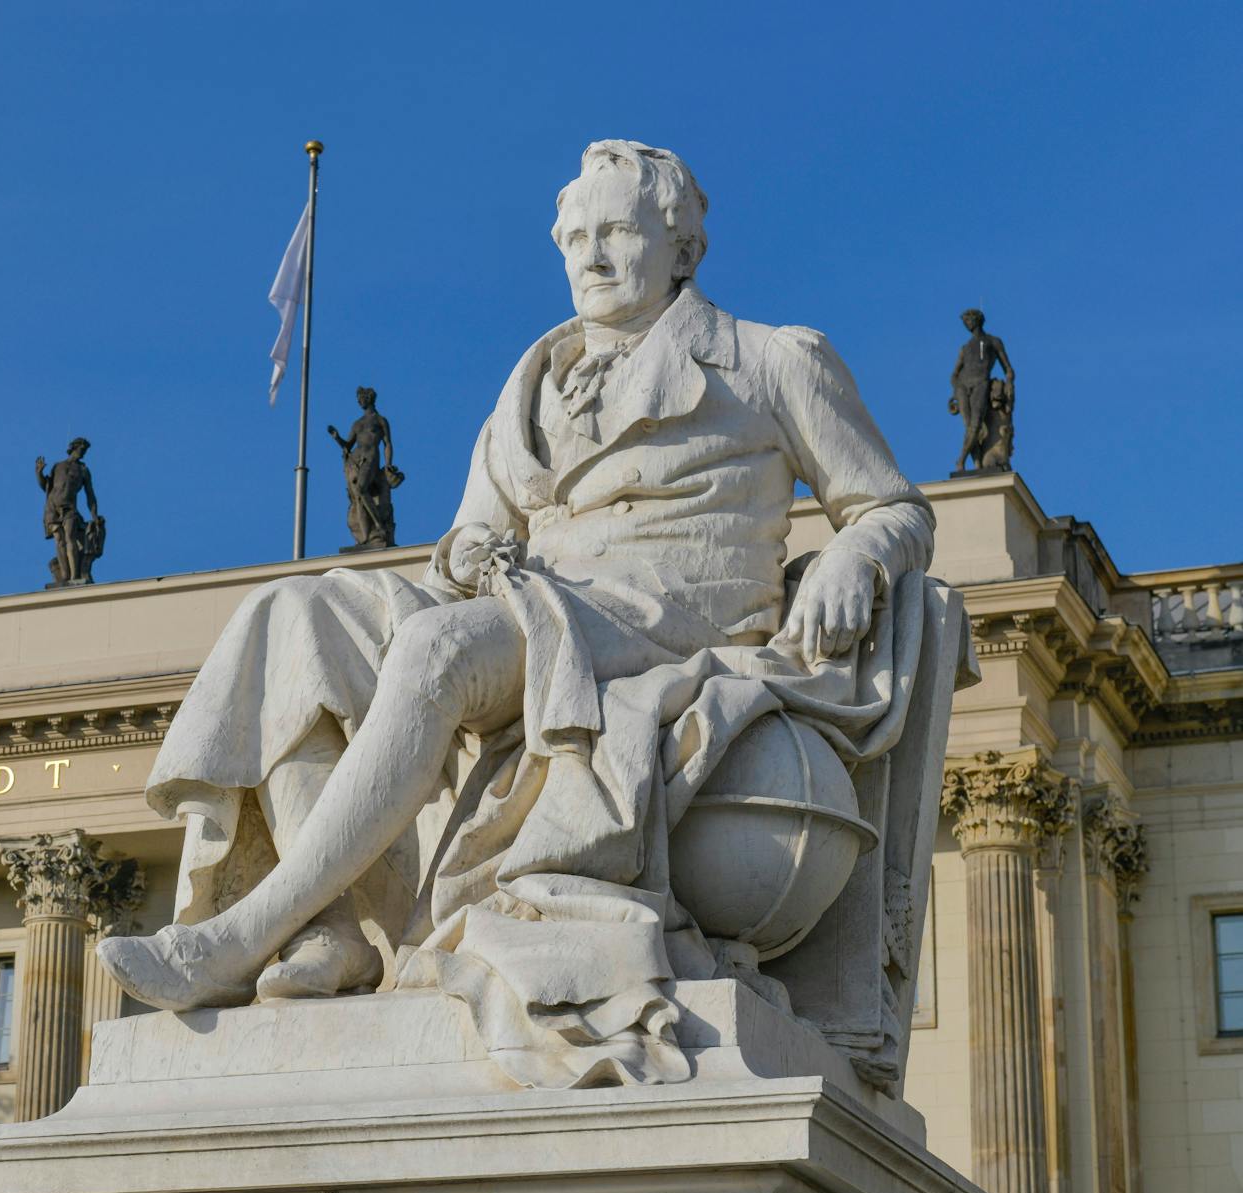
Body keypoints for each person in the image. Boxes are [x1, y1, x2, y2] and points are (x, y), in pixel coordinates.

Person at [99, 141, 935, 1086]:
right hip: (531, 603)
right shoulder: (530, 381)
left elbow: (895, 506)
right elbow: (463, 539)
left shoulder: (771, 360)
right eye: (577, 237)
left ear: (683, 251)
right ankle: (333, 928)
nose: (594, 256)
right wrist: (469, 553)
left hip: (660, 621)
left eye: (620, 231)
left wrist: (858, 555)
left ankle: (245, 932)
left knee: (438, 645)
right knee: (290, 618)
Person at [328, 387, 402, 548]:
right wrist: (337, 437)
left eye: (361, 398)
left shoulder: (380, 420)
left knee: (361, 490)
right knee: (359, 498)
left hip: (371, 458)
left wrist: (388, 463)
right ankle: (366, 537)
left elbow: (387, 443)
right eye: (358, 398)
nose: (358, 401)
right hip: (357, 460)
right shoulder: (357, 423)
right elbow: (348, 445)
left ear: (368, 398)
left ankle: (380, 526)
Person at [949, 308, 1013, 473]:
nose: (967, 324)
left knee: (975, 425)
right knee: (969, 425)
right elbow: (955, 374)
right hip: (963, 386)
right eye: (965, 322)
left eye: (968, 320)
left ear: (977, 320)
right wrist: (955, 391)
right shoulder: (965, 347)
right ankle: (977, 462)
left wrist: (1009, 387)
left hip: (980, 384)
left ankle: (961, 460)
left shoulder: (993, 341)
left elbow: (1008, 369)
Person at [35, 437, 102, 584]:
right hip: (52, 507)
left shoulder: (83, 470)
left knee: (70, 537)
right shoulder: (58, 466)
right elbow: (46, 486)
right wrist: (39, 473)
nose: (83, 453)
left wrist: (94, 515)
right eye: (81, 450)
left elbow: (90, 495)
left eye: (84, 451)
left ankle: (75, 576)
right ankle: (65, 575)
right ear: (73, 448)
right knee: (59, 540)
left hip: (69, 508)